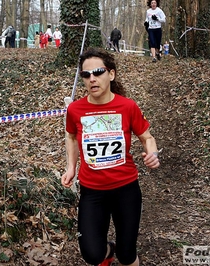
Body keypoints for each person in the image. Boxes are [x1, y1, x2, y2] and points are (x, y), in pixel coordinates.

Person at [61, 48, 160, 266]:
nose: (92, 79)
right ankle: (108, 251)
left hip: (125, 189)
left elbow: (147, 137)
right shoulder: (75, 110)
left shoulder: (127, 106)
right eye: (86, 75)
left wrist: (152, 153)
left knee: (127, 255)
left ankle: (121, 252)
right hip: (92, 191)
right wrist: (71, 167)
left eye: (98, 72)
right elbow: (71, 136)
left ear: (111, 74)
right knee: (91, 254)